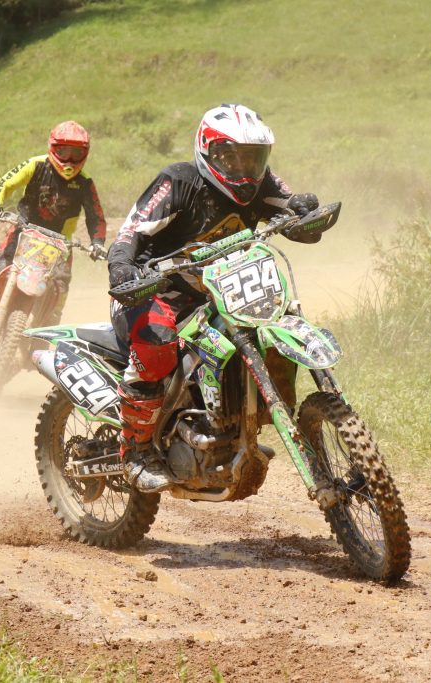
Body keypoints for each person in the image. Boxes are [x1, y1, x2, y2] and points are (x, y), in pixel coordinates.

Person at [107, 103, 323, 493]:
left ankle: (234, 422)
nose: (243, 169)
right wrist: (124, 268)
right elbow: (129, 233)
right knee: (157, 347)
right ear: (208, 153)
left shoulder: (263, 183)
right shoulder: (178, 182)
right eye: (231, 157)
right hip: (153, 290)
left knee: (275, 320)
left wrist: (303, 209)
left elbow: (290, 208)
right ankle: (135, 451)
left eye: (252, 159)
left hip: (221, 292)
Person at [0, 120, 108, 349]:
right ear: (53, 148)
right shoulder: (35, 165)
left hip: (60, 245)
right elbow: (5, 183)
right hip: (23, 233)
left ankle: (43, 340)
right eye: (64, 151)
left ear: (85, 153)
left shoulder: (85, 183)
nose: (69, 159)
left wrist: (98, 243)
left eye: (76, 153)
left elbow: (96, 216)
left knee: (60, 287)